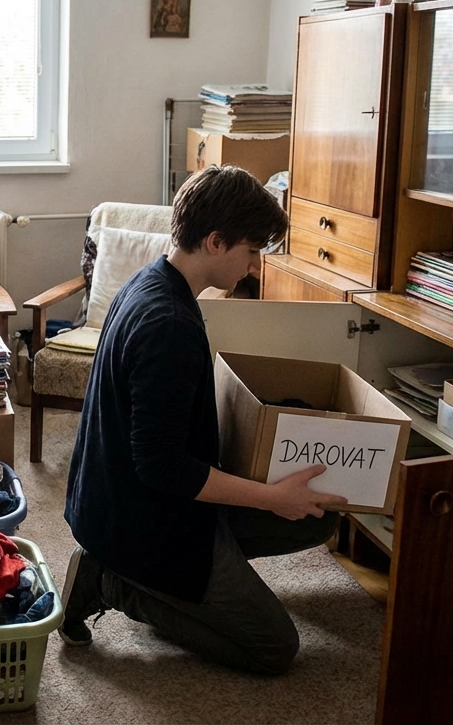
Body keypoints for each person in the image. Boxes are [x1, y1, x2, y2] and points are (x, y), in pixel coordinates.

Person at [59, 165, 345, 675]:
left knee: (318, 515)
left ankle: (179, 582)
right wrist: (273, 496)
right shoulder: (168, 323)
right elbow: (164, 469)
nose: (256, 266)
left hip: (119, 500)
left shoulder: (152, 280)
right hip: (142, 520)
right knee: (275, 649)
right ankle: (112, 582)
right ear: (216, 241)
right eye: (252, 250)